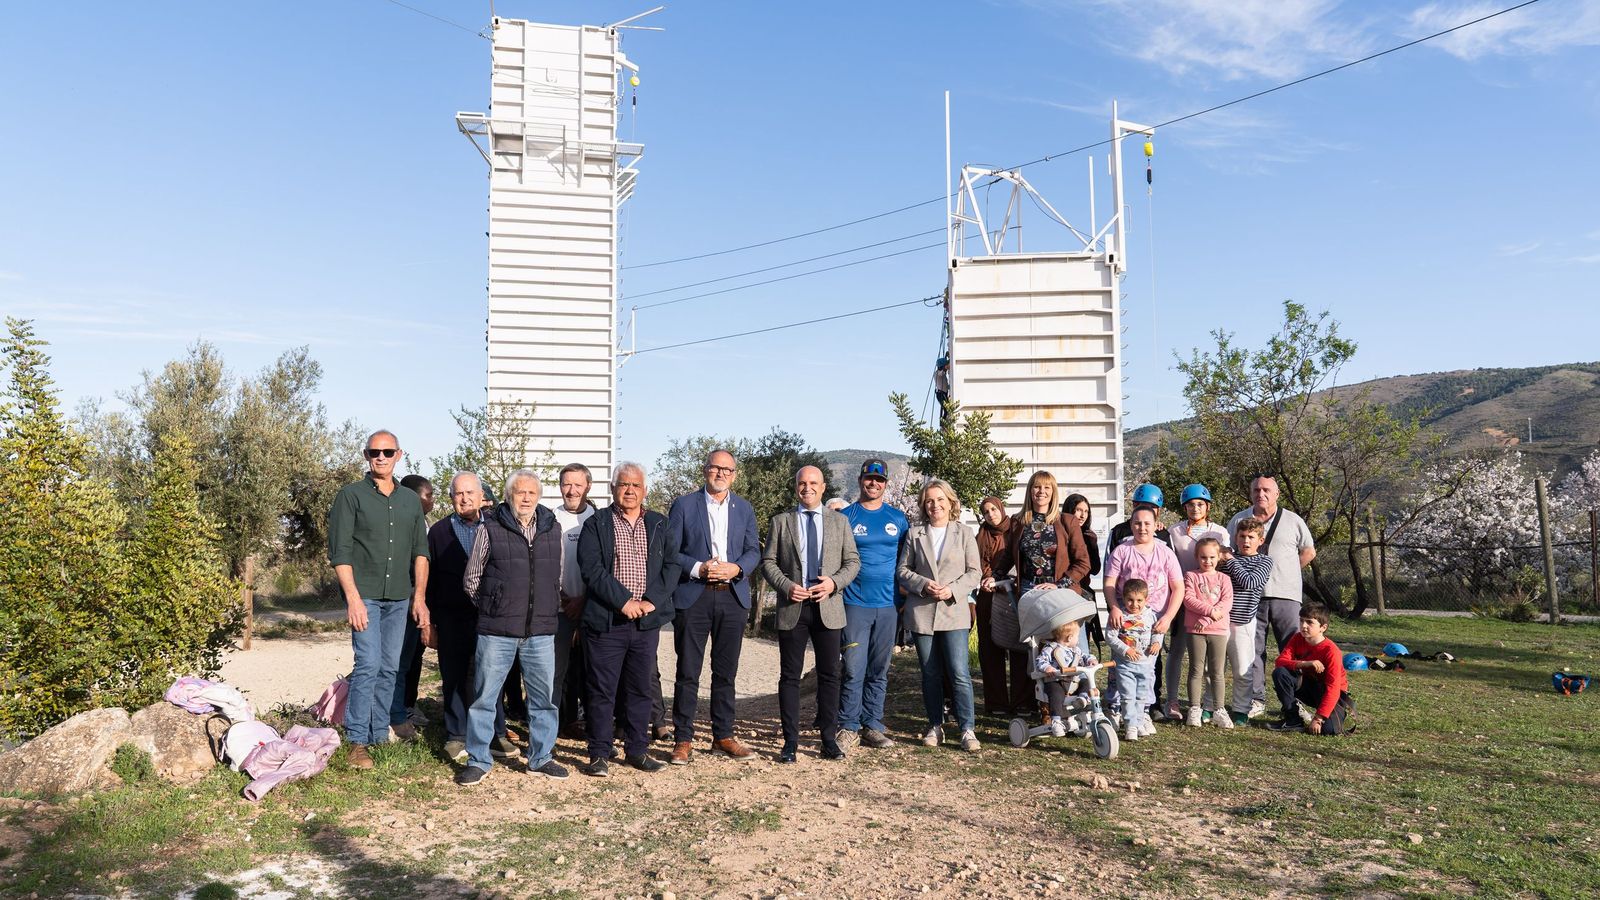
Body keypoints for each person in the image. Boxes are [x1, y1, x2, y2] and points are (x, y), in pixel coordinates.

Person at [455, 469, 568, 785]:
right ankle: (478, 759)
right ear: (509, 496)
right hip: (497, 631)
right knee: (484, 698)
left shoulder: (552, 529)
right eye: (520, 492)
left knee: (543, 700)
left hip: (540, 632)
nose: (527, 497)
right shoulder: (490, 528)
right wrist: (495, 609)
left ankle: (541, 757)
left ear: (539, 496)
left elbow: (555, 578)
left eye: (532, 492)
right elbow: (472, 580)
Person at [326, 430, 430, 770]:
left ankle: (376, 735)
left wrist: (420, 597)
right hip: (366, 596)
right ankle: (357, 741)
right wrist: (352, 598)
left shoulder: (410, 501)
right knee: (368, 665)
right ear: (366, 455)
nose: (381, 457)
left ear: (399, 455)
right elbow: (340, 552)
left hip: (400, 598)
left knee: (390, 668)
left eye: (387, 452)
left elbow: (420, 552)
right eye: (375, 452)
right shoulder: (350, 496)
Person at [576, 462, 681, 777]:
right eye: (624, 485)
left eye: (636, 485)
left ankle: (637, 750)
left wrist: (649, 601)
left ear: (645, 490)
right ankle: (599, 753)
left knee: (640, 689)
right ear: (613, 489)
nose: (630, 490)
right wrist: (624, 601)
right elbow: (591, 569)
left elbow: (672, 567)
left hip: (645, 623)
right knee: (601, 690)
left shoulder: (660, 524)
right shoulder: (597, 524)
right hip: (607, 621)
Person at [666, 449, 761, 765]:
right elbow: (671, 552)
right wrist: (698, 567)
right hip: (695, 595)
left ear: (734, 475)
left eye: (727, 469)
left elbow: (752, 552)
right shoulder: (683, 505)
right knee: (687, 671)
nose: (720, 473)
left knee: (725, 672)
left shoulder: (744, 508)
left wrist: (736, 569)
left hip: (732, 596)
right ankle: (683, 739)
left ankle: (723, 735)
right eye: (715, 468)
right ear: (705, 470)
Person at [760, 465, 861, 763]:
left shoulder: (840, 522)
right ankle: (790, 741)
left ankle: (828, 740)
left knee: (830, 675)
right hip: (794, 607)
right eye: (802, 483)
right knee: (790, 676)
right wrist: (786, 586)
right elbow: (768, 563)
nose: (808, 488)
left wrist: (833, 583)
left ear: (823, 486)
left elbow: (853, 562)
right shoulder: (781, 521)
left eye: (813, 483)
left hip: (828, 607)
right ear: (796, 487)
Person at [426, 472, 512, 765]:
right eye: (458, 494)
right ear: (451, 498)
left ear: (481, 497)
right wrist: (431, 621)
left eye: (469, 493)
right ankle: (456, 735)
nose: (464, 499)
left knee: (491, 677)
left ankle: (496, 732)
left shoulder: (498, 527)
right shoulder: (438, 532)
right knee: (454, 675)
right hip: (451, 617)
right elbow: (430, 580)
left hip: (489, 617)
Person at [897, 479, 983, 751]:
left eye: (940, 500)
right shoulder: (914, 534)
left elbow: (974, 572)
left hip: (953, 611)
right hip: (922, 612)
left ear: (950, 503)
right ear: (924, 504)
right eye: (930, 501)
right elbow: (902, 570)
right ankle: (935, 724)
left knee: (959, 672)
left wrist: (952, 589)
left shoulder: (964, 533)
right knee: (930, 673)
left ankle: (967, 728)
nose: (935, 505)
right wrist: (923, 584)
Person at [1226, 476, 1316, 719]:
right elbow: (1227, 550)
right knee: (1253, 649)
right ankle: (1257, 699)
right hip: (1248, 596)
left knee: (1292, 648)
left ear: (1277, 494)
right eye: (1256, 489)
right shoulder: (1239, 519)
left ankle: (1295, 699)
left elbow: (1309, 551)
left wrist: (1288, 571)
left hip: (1286, 595)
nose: (1261, 493)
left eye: (1266, 490)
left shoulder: (1293, 520)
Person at [839, 458, 909, 749]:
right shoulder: (846, 517)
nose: (873, 484)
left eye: (879, 480)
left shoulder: (898, 519)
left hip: (889, 605)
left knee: (879, 669)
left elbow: (908, 559)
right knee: (854, 667)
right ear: (860, 480)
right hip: (854, 604)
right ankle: (847, 726)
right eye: (869, 478)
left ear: (885, 484)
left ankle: (872, 724)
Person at [1103, 507, 1184, 723]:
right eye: (1137, 523)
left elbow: (1178, 587)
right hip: (1125, 617)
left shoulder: (1165, 552)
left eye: (1147, 523)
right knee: (1121, 662)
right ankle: (1116, 706)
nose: (1142, 528)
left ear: (1155, 525)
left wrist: (1167, 617)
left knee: (1148, 665)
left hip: (1153, 618)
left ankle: (1143, 709)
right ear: (1131, 525)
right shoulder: (1122, 551)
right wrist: (1114, 607)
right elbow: (1109, 582)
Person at [1163, 483, 1231, 720]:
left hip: (1211, 599)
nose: (1195, 508)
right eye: (1190, 504)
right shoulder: (1174, 531)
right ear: (1184, 507)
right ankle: (1172, 700)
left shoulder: (1220, 532)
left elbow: (1227, 562)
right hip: (1183, 595)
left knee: (1211, 658)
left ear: (1208, 506)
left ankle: (1210, 704)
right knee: (1177, 651)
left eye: (1200, 504)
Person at [551, 463, 597, 737]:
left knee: (593, 673)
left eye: (578, 485)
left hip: (591, 607)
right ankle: (554, 727)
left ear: (588, 486)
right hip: (557, 609)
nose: (572, 490)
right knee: (556, 673)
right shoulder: (549, 519)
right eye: (567, 484)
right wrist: (563, 597)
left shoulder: (598, 519)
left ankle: (594, 726)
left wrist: (584, 599)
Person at [975, 496, 1031, 716]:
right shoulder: (981, 536)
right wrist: (987, 578)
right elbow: (976, 563)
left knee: (1020, 649)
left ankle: (1023, 702)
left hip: (1015, 596)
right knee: (990, 651)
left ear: (1001, 508)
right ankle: (996, 703)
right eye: (986, 511)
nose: (991, 514)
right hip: (988, 597)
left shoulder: (1016, 529)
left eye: (993, 509)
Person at [390, 474, 435, 740]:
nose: (432, 500)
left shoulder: (424, 523)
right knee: (399, 662)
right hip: (404, 603)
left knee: (414, 658)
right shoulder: (400, 525)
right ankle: (395, 716)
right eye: (428, 495)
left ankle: (407, 705)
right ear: (412, 496)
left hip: (420, 603)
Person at [1218, 519, 1273, 725]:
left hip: (1243, 623)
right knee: (1213, 669)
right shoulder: (1224, 560)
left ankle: (1241, 710)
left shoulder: (1264, 562)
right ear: (1236, 537)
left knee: (1242, 669)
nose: (1246, 541)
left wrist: (1231, 560)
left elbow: (1249, 582)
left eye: (1251, 537)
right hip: (1219, 621)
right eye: (1242, 536)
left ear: (1260, 540)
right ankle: (1212, 706)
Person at [1269, 603, 1352, 735]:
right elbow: (1280, 662)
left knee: (1329, 731)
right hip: (1309, 686)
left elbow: (1333, 688)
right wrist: (1305, 663)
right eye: (1301, 620)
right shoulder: (1297, 638)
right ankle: (1293, 720)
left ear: (1323, 627)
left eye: (1309, 622)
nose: (1303, 626)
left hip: (1331, 693)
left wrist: (1319, 718)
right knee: (1281, 673)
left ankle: (1335, 713)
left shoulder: (1331, 651)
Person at [1181, 537, 1233, 729]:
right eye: (1203, 557)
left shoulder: (1224, 579)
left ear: (1219, 557)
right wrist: (1209, 612)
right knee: (1196, 669)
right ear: (1197, 557)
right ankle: (1194, 708)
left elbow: (1226, 602)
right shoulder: (1191, 576)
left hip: (1218, 630)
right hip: (1195, 630)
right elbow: (1188, 599)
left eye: (1212, 557)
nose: (1207, 561)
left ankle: (1219, 709)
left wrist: (1207, 618)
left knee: (1217, 672)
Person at [1107, 579, 1162, 742]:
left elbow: (1158, 631)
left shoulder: (1151, 615)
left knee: (1141, 696)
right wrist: (1126, 649)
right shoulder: (1119, 616)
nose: (1134, 604)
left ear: (1146, 599)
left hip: (1145, 665)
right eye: (1130, 599)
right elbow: (1110, 637)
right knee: (1128, 696)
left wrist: (1156, 642)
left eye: (1139, 600)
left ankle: (1138, 723)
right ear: (1123, 598)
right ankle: (1130, 725)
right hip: (1125, 666)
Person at [1036, 619, 1096, 737]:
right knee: (1056, 694)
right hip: (1056, 681)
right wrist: (1047, 668)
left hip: (1072, 682)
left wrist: (1091, 660)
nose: (1078, 640)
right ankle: (1056, 721)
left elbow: (1084, 657)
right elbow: (1040, 661)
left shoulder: (1075, 650)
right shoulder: (1051, 648)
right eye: (1077, 636)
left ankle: (1082, 699)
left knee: (1086, 682)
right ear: (1069, 638)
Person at [1060, 493, 1105, 653]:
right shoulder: (1059, 533)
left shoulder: (1088, 536)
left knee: (1081, 640)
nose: (1082, 515)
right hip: (1062, 592)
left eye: (1086, 511)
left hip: (1082, 593)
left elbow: (1095, 569)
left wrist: (1091, 545)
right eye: (1078, 510)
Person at [1106, 483, 1172, 551]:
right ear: (1135, 505)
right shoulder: (1118, 531)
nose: (1148, 510)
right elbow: (1110, 559)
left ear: (1158, 510)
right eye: (1144, 506)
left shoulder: (1164, 535)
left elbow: (1171, 560)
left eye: (1153, 507)